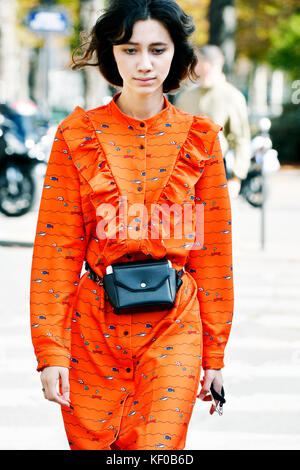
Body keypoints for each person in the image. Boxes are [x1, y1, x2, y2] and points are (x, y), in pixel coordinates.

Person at [30, 0, 234, 451]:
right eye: (129, 49)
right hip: (93, 330)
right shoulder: (75, 136)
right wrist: (51, 353)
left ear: (177, 55)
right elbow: (57, 251)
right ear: (111, 55)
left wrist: (215, 356)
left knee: (158, 451)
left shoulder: (201, 138)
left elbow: (214, 252)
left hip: (175, 326)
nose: (144, 64)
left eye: (158, 50)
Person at [176, 44, 251, 199]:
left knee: (213, 221)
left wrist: (236, 178)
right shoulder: (185, 97)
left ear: (205, 65)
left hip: (215, 172)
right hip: (183, 173)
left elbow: (241, 139)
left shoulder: (232, 96)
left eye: (195, 61)